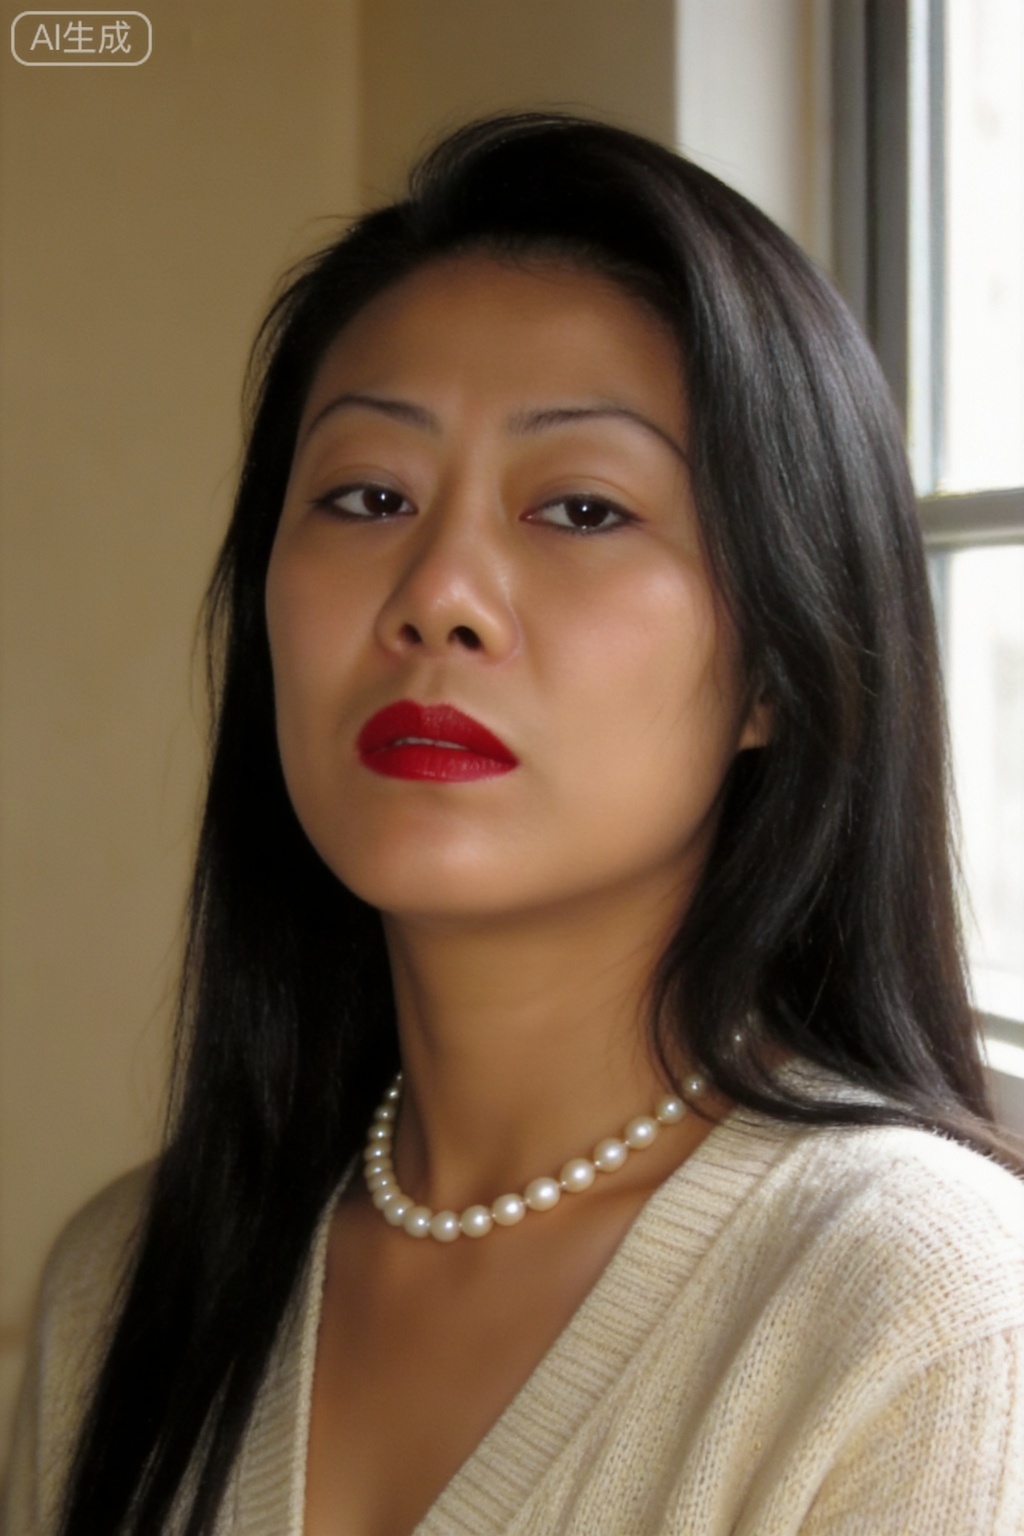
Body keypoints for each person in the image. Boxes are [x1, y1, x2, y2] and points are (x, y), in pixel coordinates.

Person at [4, 112, 1023, 1536]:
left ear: (780, 669)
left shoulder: (916, 1306)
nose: (440, 592)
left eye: (583, 509)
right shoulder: (123, 1285)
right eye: (367, 496)